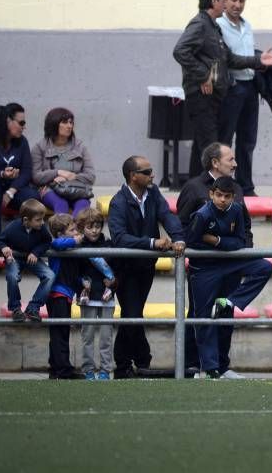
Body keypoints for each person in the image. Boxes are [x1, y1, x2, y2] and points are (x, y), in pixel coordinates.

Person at [173, 0, 272, 178]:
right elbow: (180, 51)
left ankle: (195, 187)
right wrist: (203, 74)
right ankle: (206, 190)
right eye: (226, 0)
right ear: (214, 1)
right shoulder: (200, 24)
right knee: (211, 146)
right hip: (201, 95)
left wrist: (258, 60)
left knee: (204, 144)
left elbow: (229, 59)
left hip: (213, 95)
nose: (227, 5)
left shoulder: (212, 26)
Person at [176, 142, 252, 378]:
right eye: (231, 159)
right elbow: (183, 226)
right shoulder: (193, 188)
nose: (235, 164)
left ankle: (221, 365)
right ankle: (192, 365)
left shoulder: (236, 188)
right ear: (215, 162)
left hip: (231, 265)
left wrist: (243, 253)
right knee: (199, 313)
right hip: (204, 266)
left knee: (225, 311)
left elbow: (245, 226)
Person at [186, 177, 272, 379]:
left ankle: (232, 301)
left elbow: (240, 241)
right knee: (204, 318)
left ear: (233, 197)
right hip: (205, 268)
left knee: (264, 267)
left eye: (227, 196)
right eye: (218, 195)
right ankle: (210, 368)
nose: (222, 200)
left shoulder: (237, 210)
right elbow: (193, 243)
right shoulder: (202, 214)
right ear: (211, 194)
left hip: (231, 262)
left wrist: (216, 240)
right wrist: (224, 244)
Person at [108, 155, 186, 379]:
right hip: (126, 268)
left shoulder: (153, 194)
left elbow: (166, 216)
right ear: (133, 176)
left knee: (134, 314)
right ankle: (135, 361)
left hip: (146, 267)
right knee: (132, 314)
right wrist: (152, 243)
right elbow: (120, 238)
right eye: (147, 171)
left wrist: (178, 238)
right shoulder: (118, 202)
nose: (153, 175)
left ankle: (130, 364)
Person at [216, 0, 260, 197]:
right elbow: (228, 60)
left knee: (248, 139)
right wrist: (256, 61)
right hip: (232, 89)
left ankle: (246, 186)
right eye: (233, 0)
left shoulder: (247, 25)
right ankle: (222, 185)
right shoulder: (219, 25)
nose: (238, 4)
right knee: (225, 140)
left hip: (250, 87)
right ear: (225, 1)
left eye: (242, 0)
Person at [0, 102, 39, 234]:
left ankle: (23, 237)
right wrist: (2, 174)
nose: (24, 127)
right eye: (21, 123)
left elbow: (27, 171)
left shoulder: (22, 141)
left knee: (33, 196)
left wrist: (11, 191)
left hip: (12, 189)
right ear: (8, 121)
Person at [0, 198, 55, 323]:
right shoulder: (13, 227)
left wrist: (35, 252)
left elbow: (47, 241)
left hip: (32, 258)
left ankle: (33, 307)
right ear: (26, 220)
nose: (42, 223)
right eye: (38, 220)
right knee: (12, 276)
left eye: (43, 219)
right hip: (15, 258)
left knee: (50, 275)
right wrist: (4, 247)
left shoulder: (41, 228)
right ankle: (16, 308)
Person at [75, 208, 117, 381]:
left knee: (106, 337)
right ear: (81, 227)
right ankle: (88, 370)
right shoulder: (78, 246)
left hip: (107, 298)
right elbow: (74, 271)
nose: (94, 230)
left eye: (98, 226)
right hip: (88, 298)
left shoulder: (109, 245)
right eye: (90, 227)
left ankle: (106, 370)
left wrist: (113, 284)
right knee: (87, 337)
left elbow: (118, 270)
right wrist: (81, 283)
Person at [31, 107, 95, 218]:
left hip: (77, 189)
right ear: (53, 124)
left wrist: (70, 177)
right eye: (65, 122)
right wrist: (58, 173)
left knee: (83, 207)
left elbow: (91, 176)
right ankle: (62, 234)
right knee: (61, 204)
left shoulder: (80, 147)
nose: (69, 126)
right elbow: (36, 176)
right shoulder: (40, 147)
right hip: (51, 190)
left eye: (71, 122)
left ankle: (74, 234)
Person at [47, 213, 84, 380]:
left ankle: (58, 368)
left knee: (62, 332)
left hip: (66, 294)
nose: (76, 232)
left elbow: (73, 274)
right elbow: (55, 243)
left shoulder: (70, 250)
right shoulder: (58, 245)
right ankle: (62, 370)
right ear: (61, 234)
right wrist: (75, 240)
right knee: (59, 333)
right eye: (72, 230)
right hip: (57, 295)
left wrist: (82, 283)